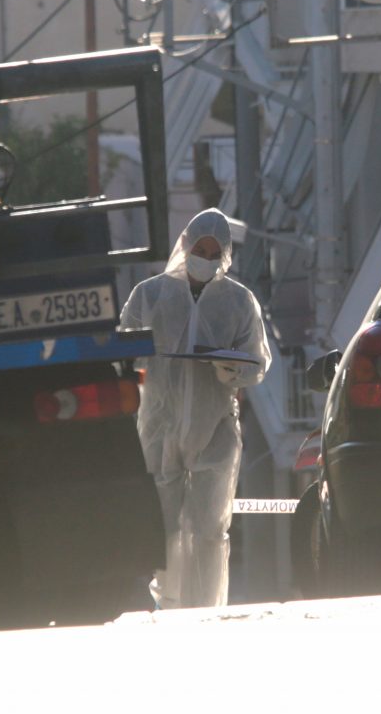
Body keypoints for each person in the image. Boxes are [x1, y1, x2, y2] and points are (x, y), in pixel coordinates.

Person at [119, 208, 271, 608]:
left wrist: (228, 367)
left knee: (209, 529)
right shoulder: (150, 294)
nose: (205, 256)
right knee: (166, 528)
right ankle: (169, 603)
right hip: (160, 426)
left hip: (215, 427)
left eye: (213, 250)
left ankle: (204, 608)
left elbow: (256, 363)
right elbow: (122, 353)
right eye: (199, 247)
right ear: (185, 244)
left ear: (225, 255)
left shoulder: (239, 301)